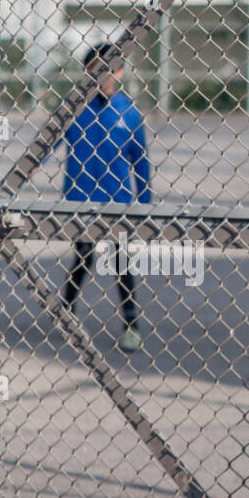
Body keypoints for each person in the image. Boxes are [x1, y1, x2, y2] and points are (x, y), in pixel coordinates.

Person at [62, 43, 153, 354]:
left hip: (117, 199)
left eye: (108, 69)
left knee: (121, 260)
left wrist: (144, 202)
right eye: (95, 69)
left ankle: (131, 324)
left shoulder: (128, 112)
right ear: (86, 71)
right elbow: (47, 144)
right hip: (81, 196)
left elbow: (140, 160)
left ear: (120, 72)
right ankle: (67, 308)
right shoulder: (74, 108)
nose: (102, 75)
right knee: (85, 253)